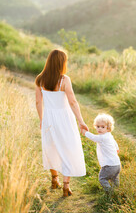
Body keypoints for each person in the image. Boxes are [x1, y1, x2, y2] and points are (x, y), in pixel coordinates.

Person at [35, 49, 88, 197]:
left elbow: (38, 102)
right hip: (65, 118)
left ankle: (54, 180)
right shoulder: (64, 80)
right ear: (61, 63)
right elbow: (73, 102)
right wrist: (81, 121)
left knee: (50, 147)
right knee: (68, 148)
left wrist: (41, 119)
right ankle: (66, 186)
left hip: (49, 118)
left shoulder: (40, 79)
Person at [81, 113, 121, 192]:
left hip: (109, 165)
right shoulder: (109, 135)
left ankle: (109, 192)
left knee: (102, 178)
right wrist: (117, 148)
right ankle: (117, 190)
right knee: (114, 178)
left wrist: (85, 133)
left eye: (102, 127)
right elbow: (115, 143)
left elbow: (94, 137)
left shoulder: (102, 137)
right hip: (117, 164)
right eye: (98, 126)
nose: (99, 129)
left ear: (108, 128)